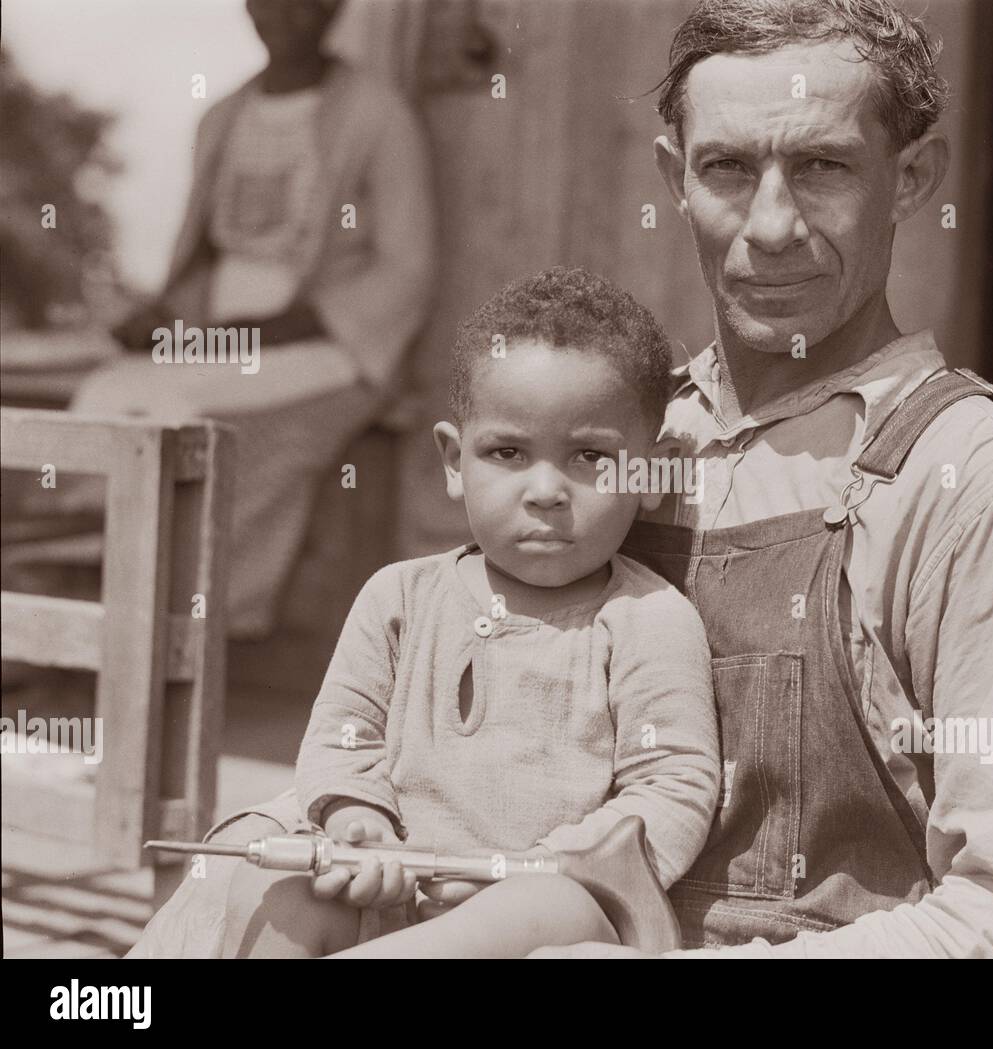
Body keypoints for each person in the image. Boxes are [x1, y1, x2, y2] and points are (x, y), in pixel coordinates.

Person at [534, 0, 993, 957]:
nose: (772, 225)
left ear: (910, 179)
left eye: (821, 167)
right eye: (728, 166)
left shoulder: (979, 487)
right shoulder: (613, 447)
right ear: (674, 178)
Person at [128, 267, 721, 958]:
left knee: (554, 908)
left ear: (653, 471)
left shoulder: (649, 618)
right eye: (507, 452)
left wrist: (525, 867)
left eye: (591, 456)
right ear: (452, 458)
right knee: (281, 887)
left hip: (534, 920)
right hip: (391, 893)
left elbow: (672, 788)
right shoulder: (398, 600)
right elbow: (342, 742)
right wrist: (360, 827)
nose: (546, 490)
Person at [76, 0, 436, 637]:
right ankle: (103, 604)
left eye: (309, 1)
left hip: (333, 346)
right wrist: (157, 320)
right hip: (222, 340)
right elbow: (201, 260)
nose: (289, 15)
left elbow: (406, 269)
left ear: (335, 10)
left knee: (182, 407)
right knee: (106, 391)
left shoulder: (379, 115)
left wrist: (269, 330)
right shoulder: (223, 116)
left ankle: (191, 622)